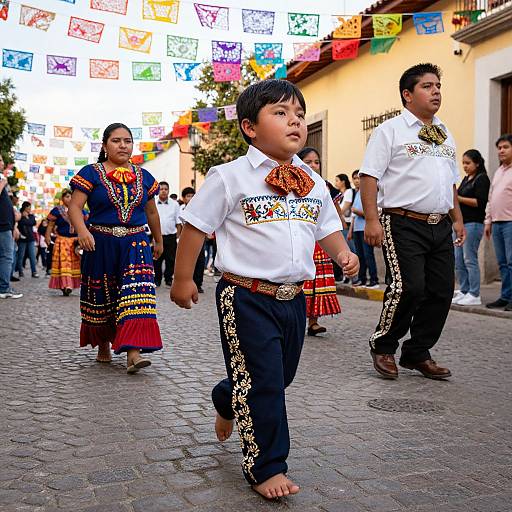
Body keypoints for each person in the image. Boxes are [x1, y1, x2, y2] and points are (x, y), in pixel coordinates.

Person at [170, 79, 359, 499]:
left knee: (277, 376)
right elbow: (196, 226)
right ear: (249, 127)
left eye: (299, 114)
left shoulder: (311, 178)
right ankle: (266, 467)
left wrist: (344, 253)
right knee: (265, 383)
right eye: (280, 113)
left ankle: (227, 398)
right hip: (245, 296)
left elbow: (326, 225)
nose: (294, 120)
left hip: (294, 299)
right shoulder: (229, 176)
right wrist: (185, 278)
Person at [360, 63, 464, 381]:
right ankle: (383, 345)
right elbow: (369, 176)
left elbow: (450, 182)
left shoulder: (445, 133)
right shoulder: (389, 131)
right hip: (402, 221)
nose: (435, 91)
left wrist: (457, 219)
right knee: (409, 286)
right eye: (427, 86)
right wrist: (372, 221)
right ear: (408, 94)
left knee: (442, 290)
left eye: (438, 86)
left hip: (440, 224)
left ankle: (418, 352)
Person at [68, 122, 164, 373]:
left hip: (136, 243)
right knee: (103, 295)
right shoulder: (90, 173)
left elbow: (151, 212)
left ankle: (133, 352)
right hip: (100, 243)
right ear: (104, 145)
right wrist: (82, 231)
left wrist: (159, 239)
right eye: (116, 141)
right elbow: (75, 208)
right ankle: (103, 344)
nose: (123, 145)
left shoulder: (145, 177)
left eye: (128, 141)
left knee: (136, 297)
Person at [297, 147, 341, 335]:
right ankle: (297, 320)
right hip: (302, 238)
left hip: (321, 240)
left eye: (316, 162)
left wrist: (340, 228)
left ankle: (313, 321)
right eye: (308, 162)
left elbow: (334, 209)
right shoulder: (291, 182)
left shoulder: (325, 186)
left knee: (317, 281)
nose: (314, 165)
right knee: (302, 280)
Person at [452, 150, 490, 306]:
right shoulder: (467, 179)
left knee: (469, 259)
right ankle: (464, 289)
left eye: (468, 163)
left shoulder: (482, 179)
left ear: (477, 163)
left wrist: (458, 198)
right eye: (463, 163)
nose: (465, 166)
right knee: (459, 259)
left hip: (473, 224)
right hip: (461, 224)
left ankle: (474, 293)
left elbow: (480, 203)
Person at [484, 134, 512, 311]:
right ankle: (506, 296)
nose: (501, 151)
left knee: (511, 262)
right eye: (499, 148)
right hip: (497, 223)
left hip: (510, 222)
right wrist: (488, 221)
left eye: (505, 147)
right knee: (502, 263)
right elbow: (490, 198)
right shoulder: (499, 171)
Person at [46, 189, 86, 296]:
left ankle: (70, 285)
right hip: (62, 241)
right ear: (62, 199)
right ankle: (65, 286)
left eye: (71, 196)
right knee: (64, 264)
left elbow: (86, 225)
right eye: (67, 196)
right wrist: (47, 237)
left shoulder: (81, 210)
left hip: (75, 242)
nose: (69, 198)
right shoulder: (57, 210)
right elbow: (50, 225)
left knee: (74, 265)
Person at [348, 170, 379, 288]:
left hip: (366, 228)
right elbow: (354, 216)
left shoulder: (369, 192)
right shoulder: (357, 193)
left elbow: (371, 213)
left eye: (358, 178)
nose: (356, 181)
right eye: (354, 178)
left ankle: (374, 280)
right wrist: (351, 230)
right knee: (359, 255)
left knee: (368, 255)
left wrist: (356, 211)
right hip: (356, 229)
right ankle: (362, 279)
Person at [0, 154, 22, 299]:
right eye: (0, 160)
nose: (2, 162)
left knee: (7, 256)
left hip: (6, 225)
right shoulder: (2, 180)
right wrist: (2, 183)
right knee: (7, 256)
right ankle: (3, 288)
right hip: (1, 225)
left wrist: (14, 223)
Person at [154, 181, 181, 287]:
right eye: (161, 189)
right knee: (157, 259)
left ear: (168, 190)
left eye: (166, 189)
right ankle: (157, 279)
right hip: (156, 237)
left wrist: (177, 236)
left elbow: (178, 222)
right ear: (158, 190)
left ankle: (168, 278)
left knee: (170, 259)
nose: (164, 191)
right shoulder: (153, 203)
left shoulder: (175, 204)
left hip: (171, 236)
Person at [180, 186, 205, 293]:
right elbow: (178, 224)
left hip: (198, 238)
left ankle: (198, 283)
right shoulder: (180, 209)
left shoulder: (200, 208)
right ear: (184, 198)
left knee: (200, 261)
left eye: (192, 196)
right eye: (188, 196)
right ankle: (184, 282)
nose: (190, 198)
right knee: (186, 260)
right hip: (184, 238)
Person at [16, 201, 39, 278]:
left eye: (30, 208)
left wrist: (26, 218)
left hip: (31, 239)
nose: (29, 209)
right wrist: (24, 218)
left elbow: (33, 222)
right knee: (21, 256)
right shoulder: (20, 215)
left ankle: (34, 272)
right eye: (28, 208)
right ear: (24, 208)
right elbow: (21, 223)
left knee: (33, 256)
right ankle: (20, 271)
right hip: (22, 239)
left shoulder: (31, 216)